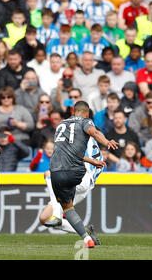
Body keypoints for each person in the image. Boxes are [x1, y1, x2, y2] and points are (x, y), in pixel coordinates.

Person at [48, 100, 118, 248]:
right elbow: (95, 132)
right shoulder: (86, 122)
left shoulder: (61, 125)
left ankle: (57, 214)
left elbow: (68, 151)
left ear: (73, 111)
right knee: (65, 209)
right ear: (87, 113)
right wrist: (106, 142)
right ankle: (87, 238)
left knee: (49, 177)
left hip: (57, 173)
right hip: (76, 173)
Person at [39, 135, 104, 241]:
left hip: (79, 179)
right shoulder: (97, 152)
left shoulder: (81, 139)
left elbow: (74, 156)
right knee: (44, 218)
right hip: (84, 186)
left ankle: (57, 215)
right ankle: (86, 231)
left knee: (49, 175)